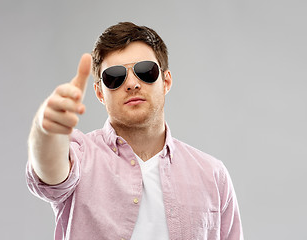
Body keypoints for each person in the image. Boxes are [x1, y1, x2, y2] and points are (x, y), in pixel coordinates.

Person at [26, 22, 243, 240]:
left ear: (166, 81)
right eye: (114, 76)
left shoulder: (212, 175)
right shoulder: (80, 157)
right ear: (100, 92)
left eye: (145, 71)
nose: (131, 83)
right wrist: (45, 131)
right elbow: (49, 170)